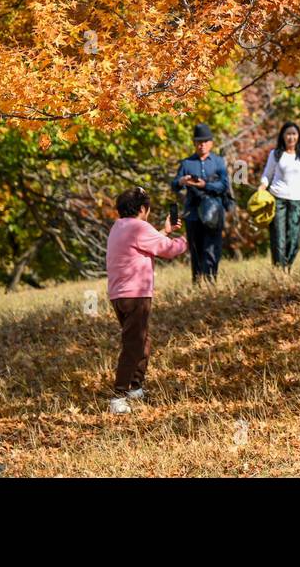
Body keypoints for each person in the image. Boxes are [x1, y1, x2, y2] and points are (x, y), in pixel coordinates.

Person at [105, 187, 187, 414]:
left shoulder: (118, 227)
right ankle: (118, 395)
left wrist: (165, 230)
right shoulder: (139, 227)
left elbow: (146, 243)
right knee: (133, 344)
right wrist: (186, 241)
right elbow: (167, 250)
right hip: (136, 294)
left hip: (119, 295)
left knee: (142, 340)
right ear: (142, 209)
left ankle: (135, 387)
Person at [172, 122, 229, 284]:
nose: (201, 145)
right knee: (196, 249)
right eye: (198, 142)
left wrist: (206, 185)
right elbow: (174, 185)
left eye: (205, 141)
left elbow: (224, 185)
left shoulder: (218, 162)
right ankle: (197, 282)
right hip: (193, 212)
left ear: (211, 143)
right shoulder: (187, 163)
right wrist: (182, 181)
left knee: (213, 248)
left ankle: (211, 280)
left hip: (214, 211)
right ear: (194, 143)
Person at [259, 121, 300, 270]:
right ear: (283, 136)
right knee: (278, 236)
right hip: (277, 198)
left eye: (294, 134)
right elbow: (267, 174)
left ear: (298, 136)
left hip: (297, 200)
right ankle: (279, 269)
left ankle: (287, 266)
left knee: (294, 237)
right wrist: (262, 187)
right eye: (288, 134)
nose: (291, 137)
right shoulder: (276, 154)